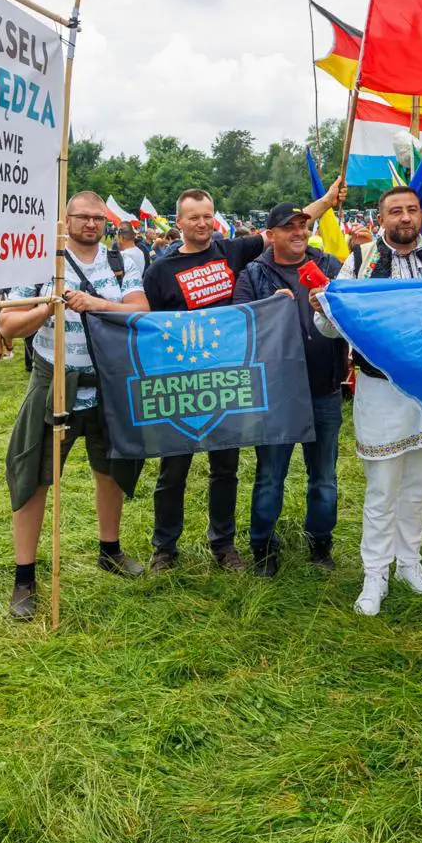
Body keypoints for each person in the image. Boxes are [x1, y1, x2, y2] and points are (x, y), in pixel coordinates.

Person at [140, 184, 341, 572]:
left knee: (225, 468)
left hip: (227, 383)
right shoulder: (159, 270)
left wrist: (329, 199)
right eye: (193, 217)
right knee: (173, 470)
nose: (201, 223)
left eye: (206, 216)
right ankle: (164, 547)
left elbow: (292, 227)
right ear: (178, 221)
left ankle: (224, 545)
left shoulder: (232, 251)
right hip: (182, 381)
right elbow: (147, 324)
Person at [0, 192, 151, 620]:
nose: (89, 224)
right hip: (53, 384)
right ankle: (24, 578)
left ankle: (110, 550)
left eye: (96, 217)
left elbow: (140, 310)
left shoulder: (122, 262)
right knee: (33, 478)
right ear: (64, 220)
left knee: (111, 472)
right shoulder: (39, 263)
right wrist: (46, 306)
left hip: (107, 385)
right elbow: (7, 324)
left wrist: (96, 303)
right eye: (81, 217)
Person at [315, 186, 422, 616]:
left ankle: (409, 563)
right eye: (395, 211)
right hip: (379, 387)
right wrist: (327, 309)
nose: (404, 218)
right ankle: (374, 572)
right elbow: (327, 328)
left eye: (411, 210)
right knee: (382, 488)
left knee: (417, 485)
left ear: (421, 215)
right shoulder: (360, 263)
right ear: (381, 219)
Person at [231, 203, 346, 577]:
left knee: (324, 477)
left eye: (303, 225)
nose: (299, 232)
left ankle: (321, 545)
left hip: (324, 387)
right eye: (289, 227)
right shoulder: (254, 272)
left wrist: (333, 305)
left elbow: (352, 312)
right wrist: (267, 307)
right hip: (276, 393)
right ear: (272, 234)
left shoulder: (328, 265)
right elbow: (240, 324)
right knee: (269, 476)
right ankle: (263, 548)